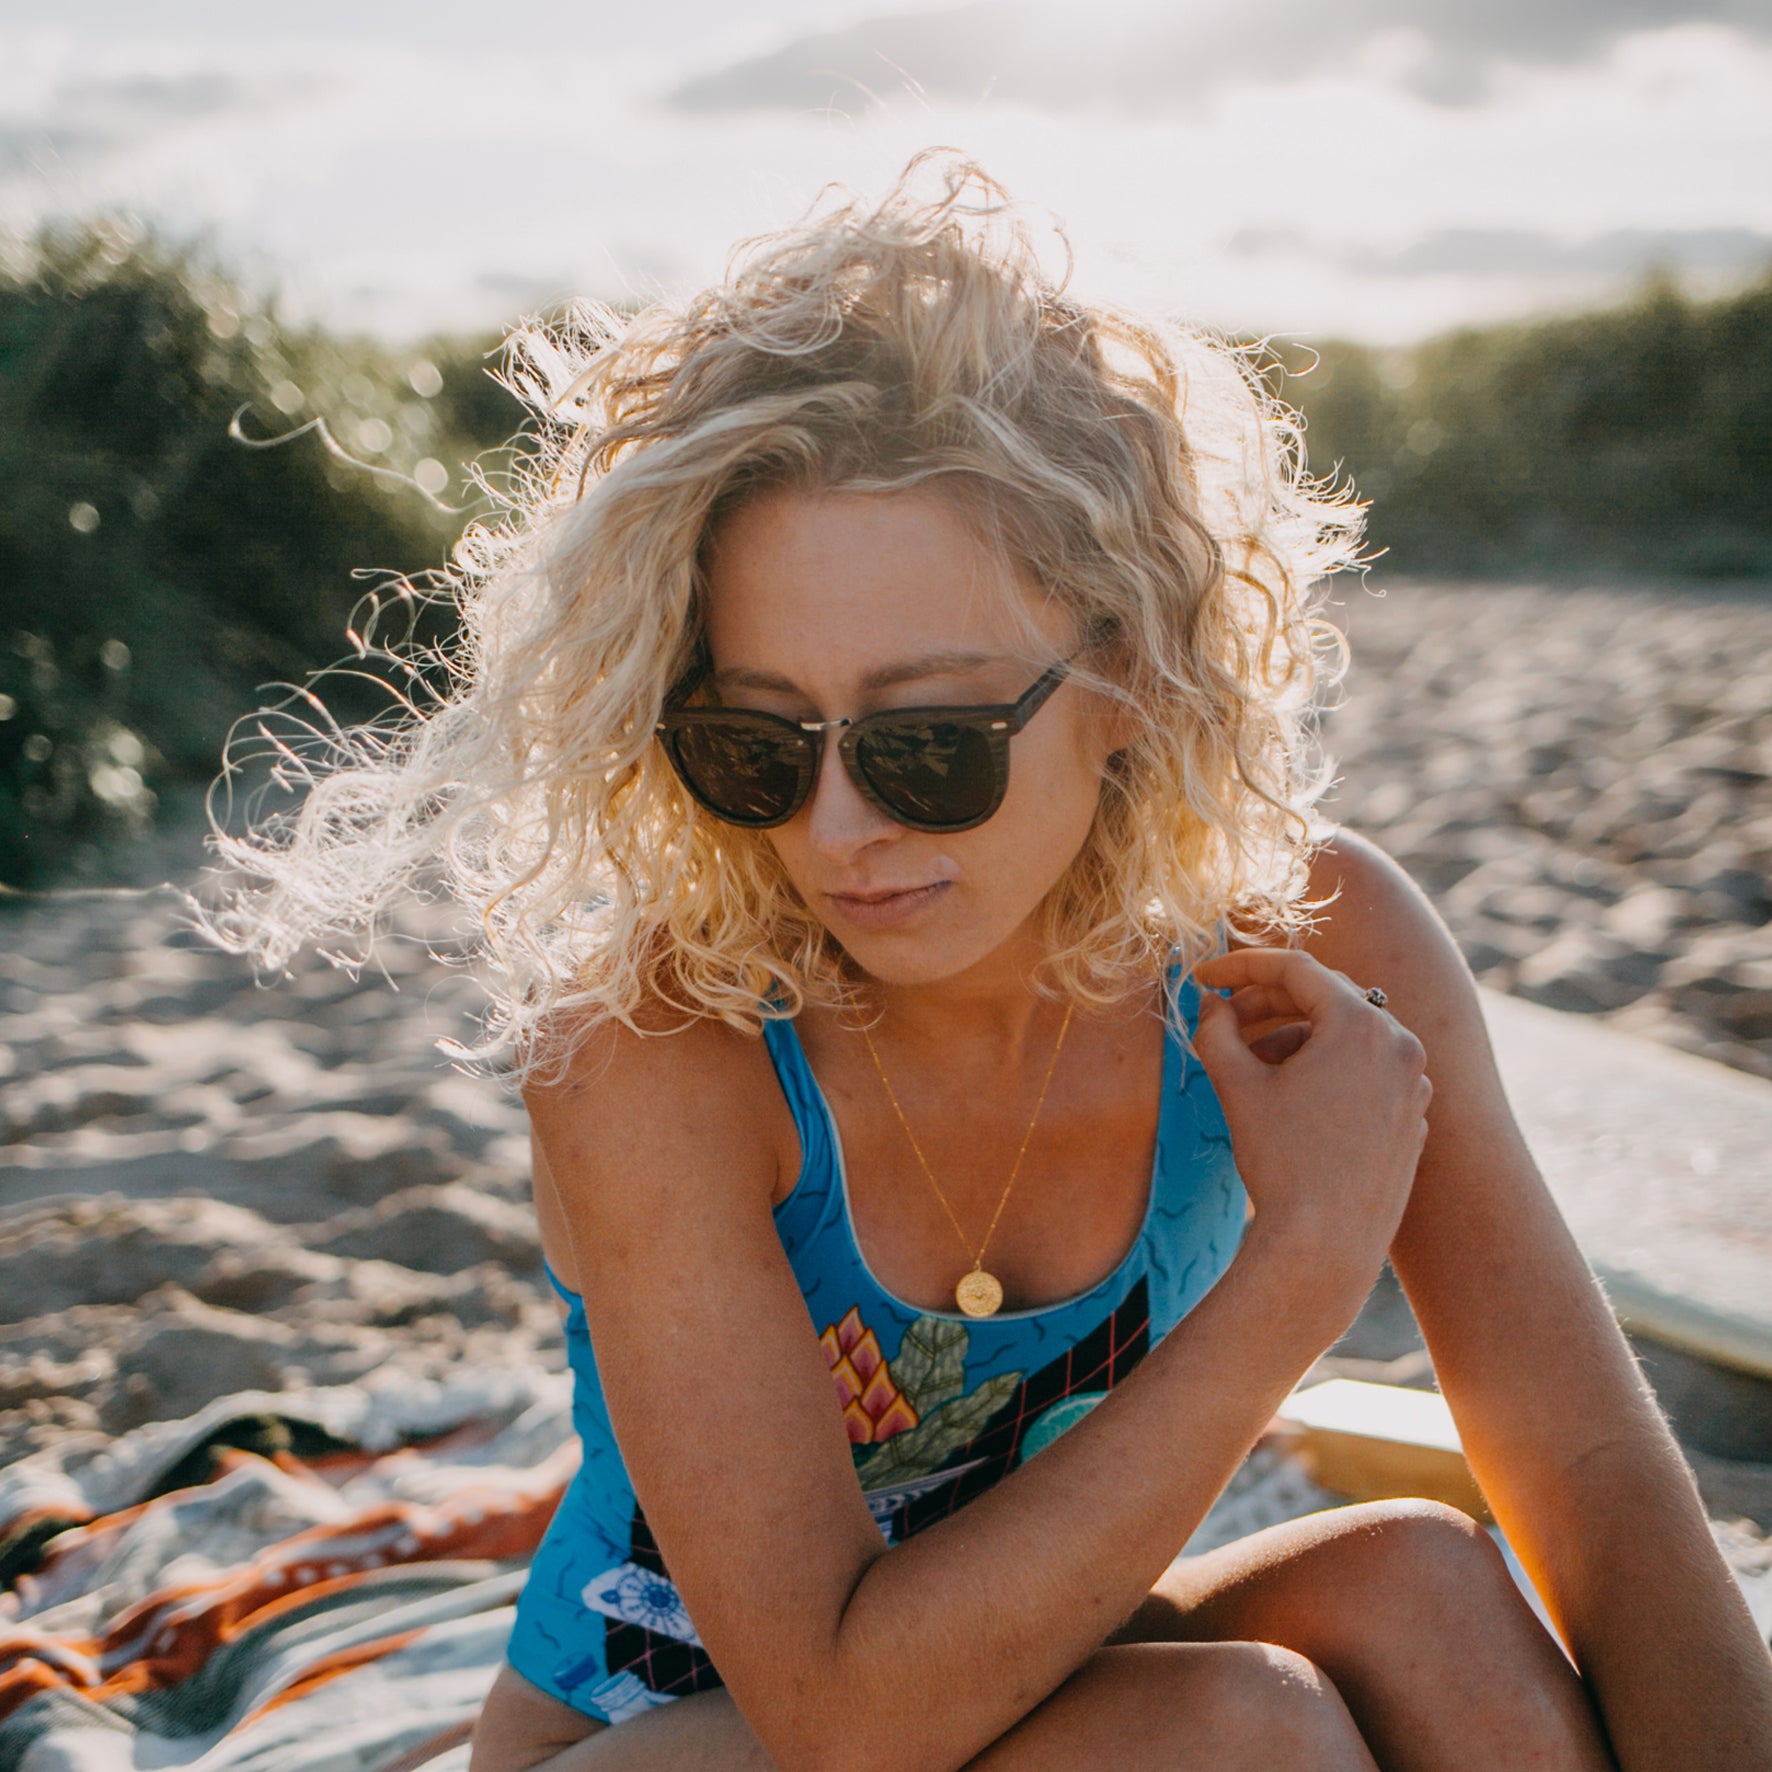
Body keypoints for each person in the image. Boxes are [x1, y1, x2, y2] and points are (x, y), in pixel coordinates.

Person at [209, 152, 1772, 1770]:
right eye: (757, 744)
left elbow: (1590, 1472)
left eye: (929, 743)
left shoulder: (1313, 950)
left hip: (1028, 1682)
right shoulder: (654, 1046)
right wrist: (1303, 1272)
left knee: (1431, 1589)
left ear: (1131, 673)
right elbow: (843, 1719)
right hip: (675, 1732)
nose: (838, 831)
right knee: (1246, 1734)